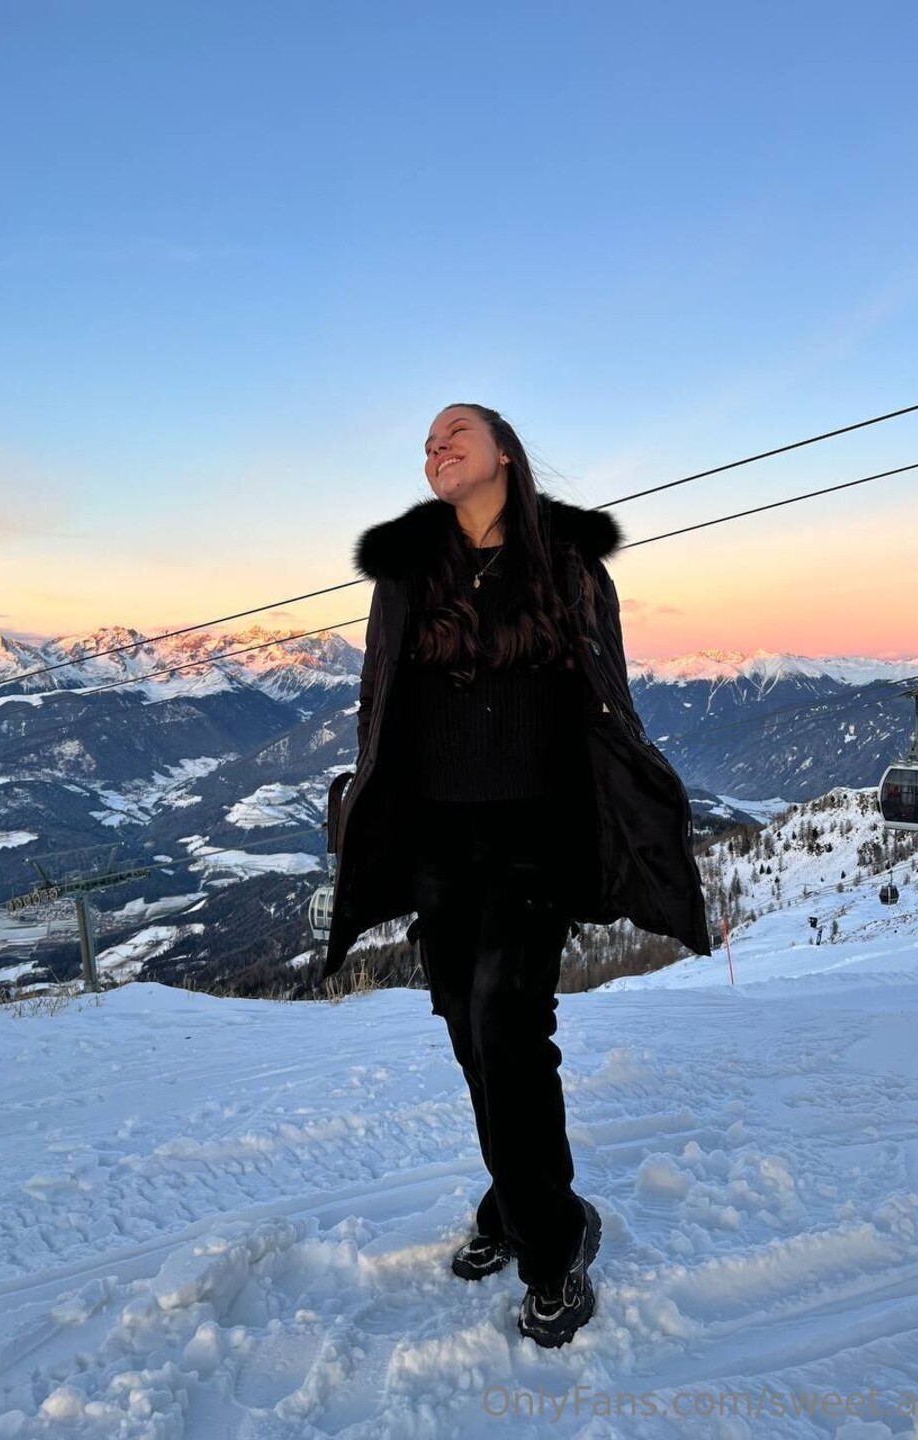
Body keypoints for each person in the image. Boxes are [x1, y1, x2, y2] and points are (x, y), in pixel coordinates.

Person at [322, 403, 711, 1347]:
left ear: (503, 452)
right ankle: (516, 1197)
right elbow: (381, 702)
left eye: (456, 431)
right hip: (439, 840)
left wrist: (630, 807)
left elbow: (608, 698)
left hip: (539, 834)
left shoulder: (568, 563)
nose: (437, 447)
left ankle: (553, 1248)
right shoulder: (407, 573)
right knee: (469, 1030)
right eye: (427, 442)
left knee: (506, 1022)